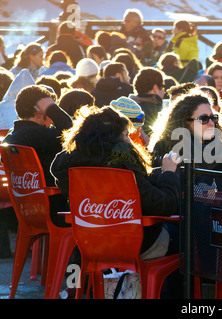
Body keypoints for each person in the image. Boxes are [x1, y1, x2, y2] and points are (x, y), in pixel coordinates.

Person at [50, 104, 182, 270]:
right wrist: (169, 173)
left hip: (90, 244)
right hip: (135, 245)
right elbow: (163, 206)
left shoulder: (73, 165)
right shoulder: (123, 163)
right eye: (126, 135)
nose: (129, 140)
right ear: (115, 139)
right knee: (189, 238)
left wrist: (155, 174)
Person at [2, 85, 73, 227]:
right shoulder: (38, 134)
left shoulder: (11, 137)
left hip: (26, 210)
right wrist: (51, 107)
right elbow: (70, 132)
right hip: (53, 210)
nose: (53, 121)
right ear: (40, 112)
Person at [149, 89, 222, 173]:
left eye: (213, 117)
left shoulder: (218, 146)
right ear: (186, 123)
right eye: (203, 119)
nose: (211, 123)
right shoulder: (166, 147)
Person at [129, 67, 165, 136]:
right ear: (155, 88)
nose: (164, 91)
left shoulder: (127, 107)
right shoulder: (155, 109)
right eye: (163, 87)